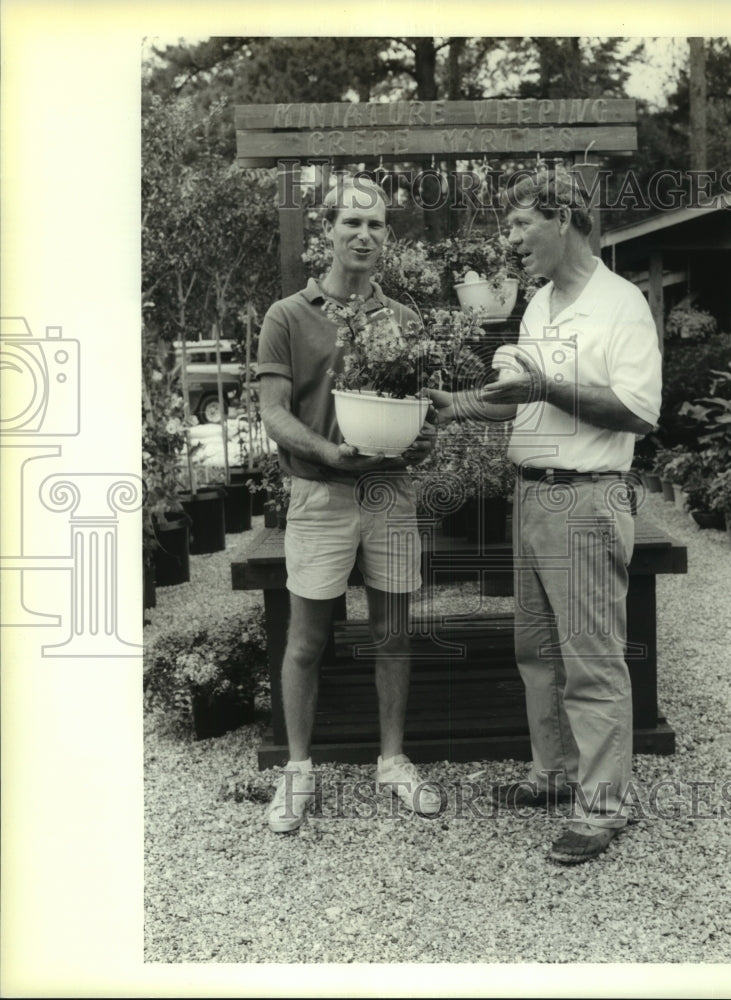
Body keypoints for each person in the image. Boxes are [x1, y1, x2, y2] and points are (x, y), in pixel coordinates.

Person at [428, 166, 662, 863]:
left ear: (564, 218)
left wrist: (549, 384)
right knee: (536, 651)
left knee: (591, 661)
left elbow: (639, 412)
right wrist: (461, 406)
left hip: (587, 499)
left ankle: (602, 811)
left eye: (521, 224)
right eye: (508, 227)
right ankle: (555, 774)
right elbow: (519, 393)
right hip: (530, 493)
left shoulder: (621, 304)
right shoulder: (537, 305)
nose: (510, 240)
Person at [256, 176, 441, 833]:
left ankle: (392, 759)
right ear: (327, 231)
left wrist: (418, 445)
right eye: (351, 223)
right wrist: (330, 455)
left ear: (387, 237)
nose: (364, 234)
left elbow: (416, 412)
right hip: (320, 491)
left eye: (377, 225)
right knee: (307, 639)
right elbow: (274, 413)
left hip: (389, 492)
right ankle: (299, 769)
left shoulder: (404, 320)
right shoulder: (288, 316)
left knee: (392, 635)